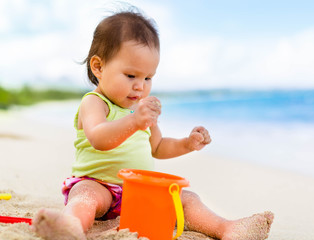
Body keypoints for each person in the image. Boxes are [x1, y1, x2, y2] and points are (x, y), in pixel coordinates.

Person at [32, 9, 274, 240]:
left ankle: (227, 228)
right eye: (131, 76)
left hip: (138, 192)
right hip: (98, 184)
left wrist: (187, 143)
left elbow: (157, 146)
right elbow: (99, 137)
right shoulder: (95, 103)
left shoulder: (141, 110)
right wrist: (134, 121)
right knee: (84, 197)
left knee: (186, 199)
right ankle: (71, 226)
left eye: (148, 77)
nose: (140, 86)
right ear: (99, 67)